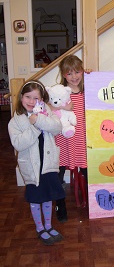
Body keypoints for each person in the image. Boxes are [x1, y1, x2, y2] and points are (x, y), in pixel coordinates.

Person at [8, 80, 65, 245]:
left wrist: (39, 119)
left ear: (41, 100)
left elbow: (57, 127)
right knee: (35, 198)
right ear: (21, 96)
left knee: (47, 196)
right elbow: (18, 143)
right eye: (28, 97)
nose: (31, 102)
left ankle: (48, 225)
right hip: (32, 168)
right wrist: (33, 126)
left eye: (36, 98)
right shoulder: (16, 121)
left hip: (48, 164)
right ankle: (39, 228)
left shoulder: (45, 111)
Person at [53, 55, 88, 221]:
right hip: (63, 141)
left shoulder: (87, 91)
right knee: (58, 174)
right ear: (63, 74)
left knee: (88, 172)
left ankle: (92, 202)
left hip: (83, 140)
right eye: (69, 73)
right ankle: (60, 206)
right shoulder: (59, 93)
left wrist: (92, 77)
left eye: (77, 72)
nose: (74, 76)